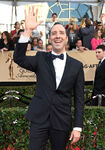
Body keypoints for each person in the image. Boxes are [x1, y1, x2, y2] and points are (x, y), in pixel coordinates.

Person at [13, 6, 84, 150]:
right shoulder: (40, 58)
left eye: (61, 33)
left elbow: (79, 99)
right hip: (39, 118)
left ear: (66, 38)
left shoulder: (77, 66)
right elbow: (18, 58)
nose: (57, 36)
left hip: (61, 120)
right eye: (54, 33)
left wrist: (77, 126)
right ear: (50, 38)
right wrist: (27, 31)